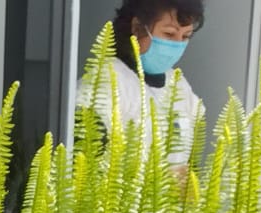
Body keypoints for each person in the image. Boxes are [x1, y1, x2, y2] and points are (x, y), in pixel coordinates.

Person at [78, 0, 205, 168]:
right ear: (137, 28)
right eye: (169, 34)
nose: (177, 44)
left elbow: (191, 170)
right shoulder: (103, 84)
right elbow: (84, 172)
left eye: (185, 36)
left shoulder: (179, 86)